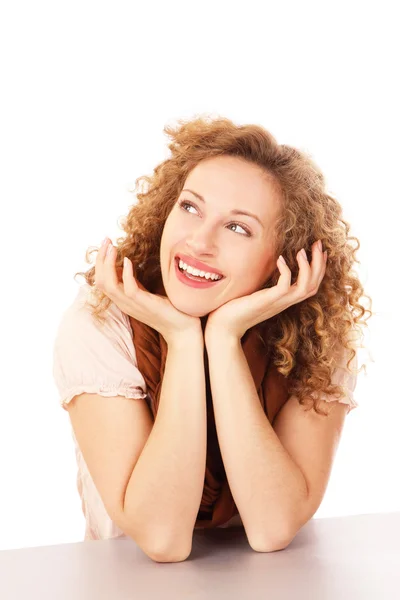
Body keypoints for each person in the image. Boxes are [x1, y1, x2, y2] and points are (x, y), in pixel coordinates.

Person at [52, 115, 372, 562]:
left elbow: (272, 526)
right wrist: (183, 339)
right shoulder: (101, 322)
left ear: (282, 260)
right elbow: (162, 538)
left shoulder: (319, 338)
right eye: (190, 207)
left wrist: (223, 338)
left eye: (238, 228)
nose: (198, 242)